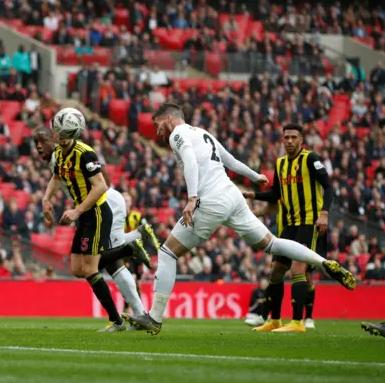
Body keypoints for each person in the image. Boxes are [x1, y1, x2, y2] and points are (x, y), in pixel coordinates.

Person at [122, 103, 355, 335]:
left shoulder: (178, 134)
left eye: (158, 125)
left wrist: (192, 198)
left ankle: (154, 317)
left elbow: (191, 162)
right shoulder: (204, 133)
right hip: (232, 196)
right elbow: (230, 161)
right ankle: (322, 262)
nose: (158, 131)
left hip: (210, 200)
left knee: (167, 253)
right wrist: (255, 176)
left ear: (170, 119)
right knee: (271, 243)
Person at [33, 127, 157, 328]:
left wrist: (79, 208)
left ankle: (135, 313)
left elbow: (103, 183)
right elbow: (56, 178)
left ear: (54, 140)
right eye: (36, 143)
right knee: (87, 267)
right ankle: (133, 241)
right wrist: (47, 199)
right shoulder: (58, 159)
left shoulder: (78, 153)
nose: (39, 146)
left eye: (43, 141)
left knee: (107, 264)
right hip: (88, 210)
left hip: (105, 206)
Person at [243, 124, 331, 332]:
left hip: (309, 222)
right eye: (286, 138)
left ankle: (298, 322)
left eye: (293, 137)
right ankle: (274, 320)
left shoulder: (311, 159)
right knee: (276, 272)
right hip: (289, 225)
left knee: (299, 270)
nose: (289, 141)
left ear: (301, 140)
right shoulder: (280, 164)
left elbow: (328, 185)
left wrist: (324, 213)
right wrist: (253, 195)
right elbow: (275, 194)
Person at [122, 193, 152, 314]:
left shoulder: (137, 216)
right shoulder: (118, 217)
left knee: (138, 283)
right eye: (123, 200)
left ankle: (136, 310)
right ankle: (130, 309)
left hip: (137, 253)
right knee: (131, 279)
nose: (125, 202)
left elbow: (146, 232)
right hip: (124, 253)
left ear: (131, 202)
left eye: (127, 200)